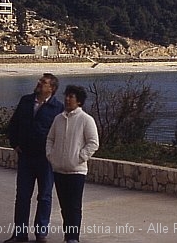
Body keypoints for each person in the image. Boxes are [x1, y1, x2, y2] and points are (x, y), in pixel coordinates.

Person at [5, 73, 64, 242]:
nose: (39, 83)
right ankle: (20, 234)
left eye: (43, 82)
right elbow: (14, 124)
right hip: (26, 157)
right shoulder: (25, 101)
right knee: (22, 196)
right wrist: (14, 143)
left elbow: (60, 134)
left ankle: (41, 233)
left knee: (44, 197)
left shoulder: (57, 108)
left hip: (46, 161)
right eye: (40, 81)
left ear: (51, 88)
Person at [46, 85, 99, 243]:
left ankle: (73, 238)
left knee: (74, 206)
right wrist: (51, 156)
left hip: (76, 171)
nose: (67, 99)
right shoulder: (58, 119)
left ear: (79, 101)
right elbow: (50, 139)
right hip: (59, 170)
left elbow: (93, 143)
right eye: (67, 96)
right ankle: (67, 235)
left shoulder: (86, 119)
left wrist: (79, 157)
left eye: (71, 96)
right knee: (64, 207)